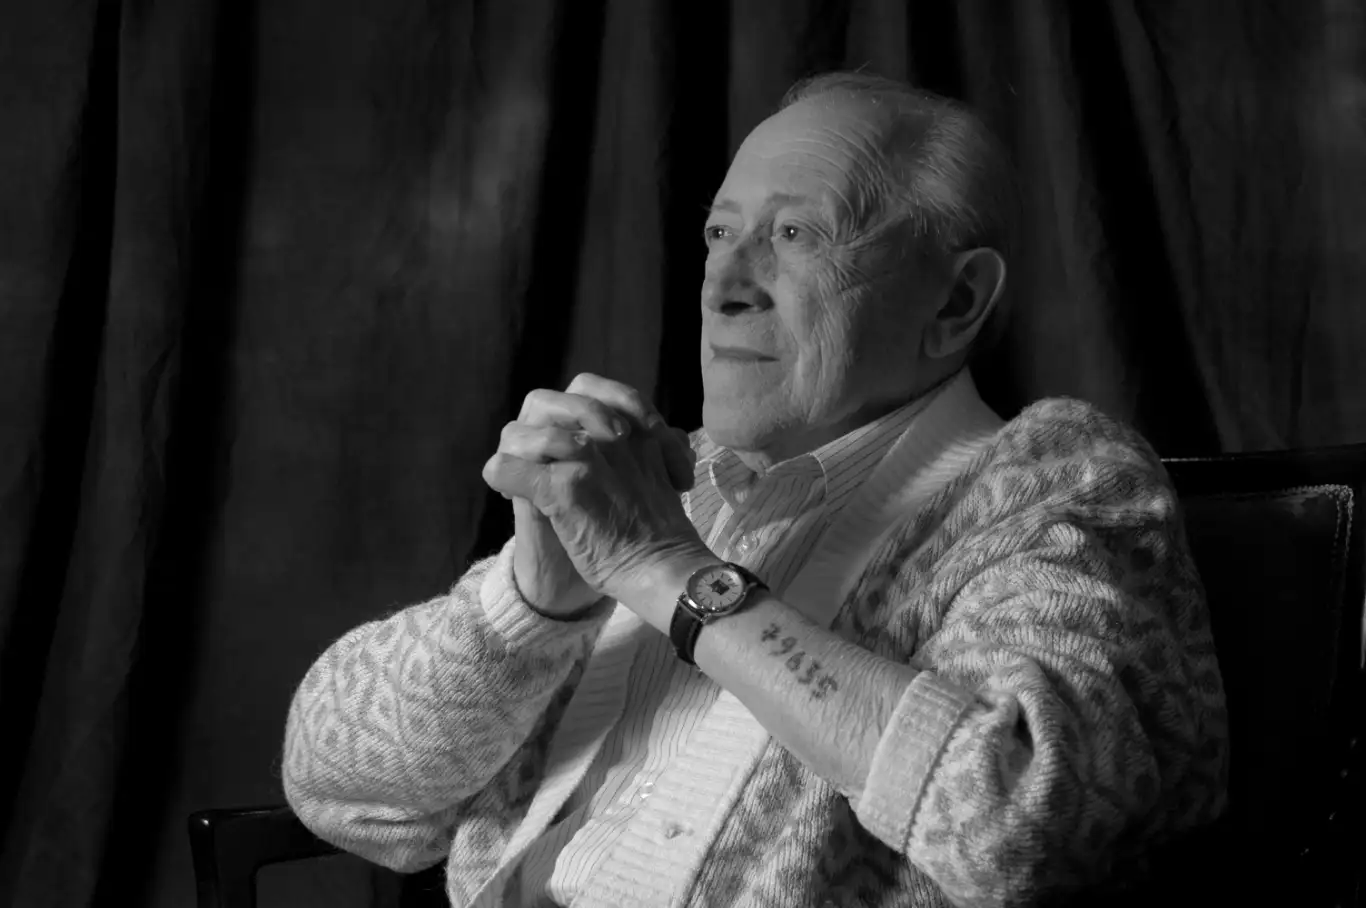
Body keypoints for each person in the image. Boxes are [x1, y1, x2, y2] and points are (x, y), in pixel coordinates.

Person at [282, 71, 1229, 908]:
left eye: (795, 234)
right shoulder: (662, 480)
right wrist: (530, 609)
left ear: (955, 302)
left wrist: (667, 573)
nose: (725, 285)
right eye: (720, 233)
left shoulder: (1052, 485)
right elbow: (338, 789)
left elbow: (1027, 822)